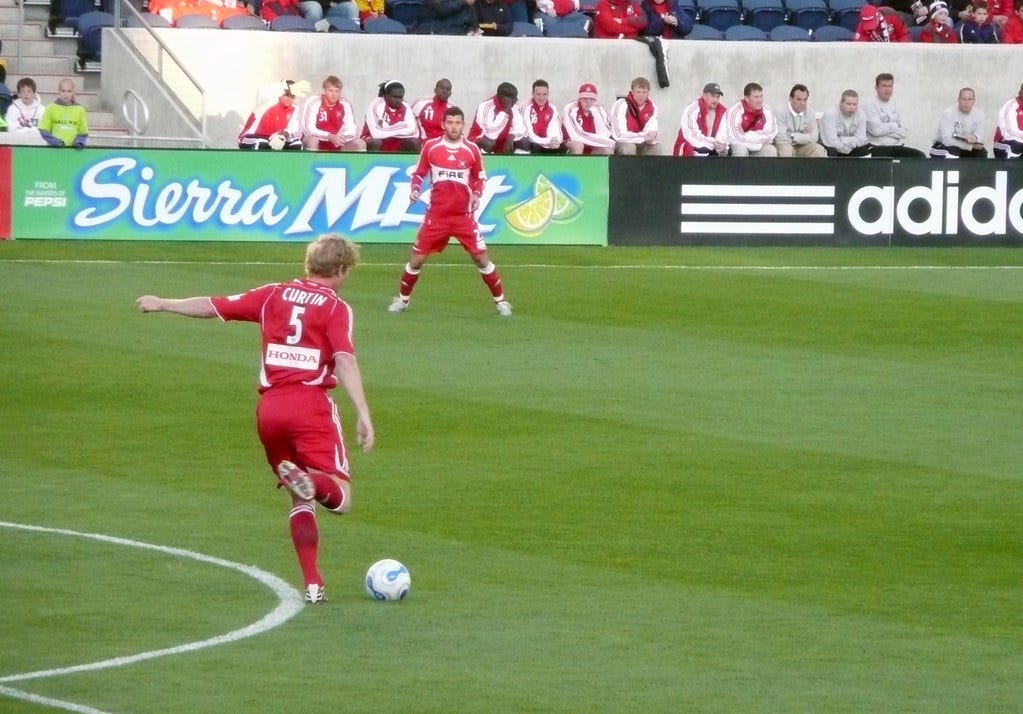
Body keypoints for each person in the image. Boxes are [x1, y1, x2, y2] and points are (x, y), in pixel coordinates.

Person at [135, 234, 375, 605]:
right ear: (341, 270)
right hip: (309, 405)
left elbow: (214, 305)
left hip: (270, 411)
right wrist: (363, 413)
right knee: (340, 498)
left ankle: (313, 583)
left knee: (299, 502)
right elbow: (344, 358)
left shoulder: (273, 294)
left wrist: (163, 303)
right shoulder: (335, 308)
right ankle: (309, 479)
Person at [387, 106, 512, 317]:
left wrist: (476, 194)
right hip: (437, 216)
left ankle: (501, 302)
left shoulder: (471, 149)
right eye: (450, 122)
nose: (454, 127)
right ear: (444, 124)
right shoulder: (431, 147)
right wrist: (416, 189)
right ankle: (402, 300)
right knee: (416, 260)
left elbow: (480, 177)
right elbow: (419, 173)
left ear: (463, 125)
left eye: (458, 123)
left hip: (463, 216)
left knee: (481, 258)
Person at [862, 73, 925, 158]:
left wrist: (884, 130)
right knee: (884, 163)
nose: (887, 89)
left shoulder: (898, 104)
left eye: (890, 86)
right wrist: (896, 125)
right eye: (884, 86)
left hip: (896, 146)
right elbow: (876, 131)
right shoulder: (869, 104)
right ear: (876, 88)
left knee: (919, 156)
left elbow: (904, 132)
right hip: (877, 147)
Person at [238, 80, 308, 151]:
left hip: (273, 138)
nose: (289, 99)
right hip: (250, 137)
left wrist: (283, 135)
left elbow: (294, 130)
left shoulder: (294, 108)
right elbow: (262, 92)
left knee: (296, 145)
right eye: (286, 95)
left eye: (292, 96)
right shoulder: (267, 103)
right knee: (262, 143)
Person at [301, 75, 366, 152]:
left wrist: (341, 137)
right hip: (317, 138)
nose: (334, 94)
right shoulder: (314, 102)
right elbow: (308, 130)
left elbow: (353, 130)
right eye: (330, 90)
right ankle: (311, 163)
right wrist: (329, 136)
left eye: (337, 91)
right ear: (324, 91)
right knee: (313, 141)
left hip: (335, 140)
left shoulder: (345, 104)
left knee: (360, 143)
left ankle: (356, 164)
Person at [468, 82, 529, 153]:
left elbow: (521, 127)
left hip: (501, 140)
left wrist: (511, 136)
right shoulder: (485, 106)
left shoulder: (513, 106)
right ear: (503, 98)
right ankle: (483, 161)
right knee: (489, 143)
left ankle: (518, 163)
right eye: (514, 97)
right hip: (480, 140)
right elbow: (491, 134)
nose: (517, 100)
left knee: (524, 142)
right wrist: (505, 111)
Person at [361, 80, 420, 152]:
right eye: (395, 97)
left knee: (413, 142)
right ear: (385, 95)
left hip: (397, 140)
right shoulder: (376, 104)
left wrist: (386, 128)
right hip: (375, 139)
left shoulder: (405, 106)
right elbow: (376, 133)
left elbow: (413, 132)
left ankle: (406, 163)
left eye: (401, 97)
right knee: (375, 142)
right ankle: (375, 162)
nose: (398, 100)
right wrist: (402, 126)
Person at [672, 82, 729, 157]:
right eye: (713, 96)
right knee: (702, 150)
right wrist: (711, 143)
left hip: (710, 145)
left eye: (718, 97)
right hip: (691, 144)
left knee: (727, 151)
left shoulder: (721, 111)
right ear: (704, 95)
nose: (715, 100)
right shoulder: (691, 110)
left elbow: (722, 133)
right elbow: (691, 136)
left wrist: (721, 145)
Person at [930, 87, 987, 158]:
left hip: (965, 146)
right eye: (964, 99)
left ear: (974, 101)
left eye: (970, 99)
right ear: (958, 100)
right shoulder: (948, 113)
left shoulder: (979, 114)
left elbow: (980, 133)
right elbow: (947, 140)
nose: (967, 102)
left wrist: (975, 138)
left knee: (982, 153)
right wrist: (970, 146)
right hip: (943, 146)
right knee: (954, 152)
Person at [610, 76, 660, 155]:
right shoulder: (621, 105)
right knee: (629, 148)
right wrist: (642, 137)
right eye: (638, 92)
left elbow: (652, 130)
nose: (641, 95)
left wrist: (651, 136)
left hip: (640, 140)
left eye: (644, 92)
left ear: (648, 93)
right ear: (632, 92)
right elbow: (619, 135)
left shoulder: (652, 107)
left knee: (655, 148)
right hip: (622, 141)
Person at [725, 82, 777, 158]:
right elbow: (734, 138)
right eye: (756, 97)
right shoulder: (735, 111)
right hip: (742, 146)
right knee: (740, 151)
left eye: (761, 96)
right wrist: (760, 135)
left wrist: (747, 135)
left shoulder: (767, 110)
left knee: (771, 150)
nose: (760, 100)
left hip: (757, 146)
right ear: (746, 98)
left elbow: (771, 135)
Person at [774, 83, 826, 158]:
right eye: (799, 100)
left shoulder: (810, 112)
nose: (803, 103)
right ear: (791, 99)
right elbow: (780, 139)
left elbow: (814, 137)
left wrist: (793, 136)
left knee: (818, 149)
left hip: (802, 147)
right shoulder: (780, 111)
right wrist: (805, 136)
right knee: (786, 150)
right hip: (784, 146)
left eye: (805, 100)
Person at [562, 83, 615, 155]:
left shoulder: (597, 112)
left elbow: (605, 133)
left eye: (591, 100)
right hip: (572, 140)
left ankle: (597, 166)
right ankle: (574, 165)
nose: (588, 102)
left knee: (607, 149)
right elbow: (576, 135)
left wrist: (606, 142)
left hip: (591, 142)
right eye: (585, 99)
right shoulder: (571, 109)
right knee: (578, 146)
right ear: (580, 99)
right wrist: (604, 141)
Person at [517, 79, 566, 154]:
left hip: (543, 141)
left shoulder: (552, 108)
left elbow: (556, 130)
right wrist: (547, 141)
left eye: (544, 94)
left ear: (548, 94)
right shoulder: (526, 107)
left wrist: (555, 141)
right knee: (534, 146)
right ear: (533, 94)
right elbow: (529, 134)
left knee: (561, 147)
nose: (542, 98)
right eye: (538, 94)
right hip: (528, 141)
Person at [820, 89, 872, 157]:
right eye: (848, 104)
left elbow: (861, 139)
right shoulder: (830, 114)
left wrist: (842, 139)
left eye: (854, 104)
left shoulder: (861, 114)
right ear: (840, 102)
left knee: (865, 151)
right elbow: (831, 142)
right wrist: (847, 150)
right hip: (833, 148)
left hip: (851, 147)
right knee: (831, 151)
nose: (852, 107)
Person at [38, 78, 88, 149]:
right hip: (54, 150)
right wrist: (54, 141)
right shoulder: (50, 108)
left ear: (73, 92)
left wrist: (79, 142)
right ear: (59, 91)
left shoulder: (80, 109)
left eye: (69, 91)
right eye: (63, 91)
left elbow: (83, 132)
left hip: (73, 151)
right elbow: (43, 130)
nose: (66, 94)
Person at [993, 82, 1023, 158]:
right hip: (1005, 143)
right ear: (1020, 93)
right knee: (1015, 146)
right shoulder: (1011, 106)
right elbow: (1010, 131)